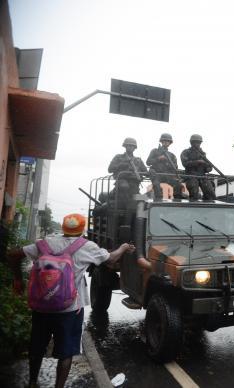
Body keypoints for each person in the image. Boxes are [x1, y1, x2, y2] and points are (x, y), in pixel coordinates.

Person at [7, 213, 135, 388]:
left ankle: (32, 382)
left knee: (37, 346)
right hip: (70, 310)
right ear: (82, 229)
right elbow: (111, 259)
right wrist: (123, 247)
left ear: (63, 226)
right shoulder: (86, 246)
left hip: (41, 308)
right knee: (66, 352)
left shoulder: (44, 243)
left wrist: (17, 279)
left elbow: (13, 255)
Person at [107, 137, 148, 209]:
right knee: (124, 187)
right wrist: (121, 165)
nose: (130, 147)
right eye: (128, 145)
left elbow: (145, 172)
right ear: (125, 146)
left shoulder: (138, 160)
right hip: (121, 182)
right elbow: (110, 169)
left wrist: (150, 172)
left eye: (132, 146)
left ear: (135, 148)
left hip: (134, 185)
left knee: (143, 200)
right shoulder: (118, 157)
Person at [146, 133, 183, 200]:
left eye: (168, 141)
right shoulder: (155, 151)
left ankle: (177, 202)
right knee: (157, 185)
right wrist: (158, 158)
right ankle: (158, 201)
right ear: (161, 141)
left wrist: (168, 164)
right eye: (164, 141)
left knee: (178, 185)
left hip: (167, 175)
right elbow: (148, 162)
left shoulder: (172, 155)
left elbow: (175, 167)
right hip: (157, 174)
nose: (166, 142)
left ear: (170, 143)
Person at [180, 134, 216, 201]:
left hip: (202, 176)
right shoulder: (186, 152)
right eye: (195, 142)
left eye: (199, 142)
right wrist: (197, 162)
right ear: (192, 142)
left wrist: (207, 166)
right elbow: (185, 164)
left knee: (211, 194)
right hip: (191, 175)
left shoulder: (203, 153)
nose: (197, 144)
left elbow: (208, 168)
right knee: (194, 194)